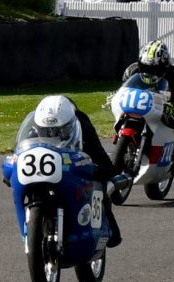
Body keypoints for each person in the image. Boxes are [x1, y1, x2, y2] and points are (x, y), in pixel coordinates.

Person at [11, 95, 122, 247]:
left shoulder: (82, 124)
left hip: (74, 167)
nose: (51, 134)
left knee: (114, 236)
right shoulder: (32, 127)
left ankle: (102, 221)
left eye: (57, 131)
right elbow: (18, 155)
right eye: (45, 131)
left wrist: (99, 174)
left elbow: (103, 161)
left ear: (70, 126)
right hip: (43, 177)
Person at [123, 40, 174, 163]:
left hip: (164, 109)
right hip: (138, 105)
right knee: (123, 114)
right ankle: (123, 139)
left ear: (165, 67)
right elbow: (123, 90)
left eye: (155, 69)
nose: (149, 73)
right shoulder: (131, 71)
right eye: (145, 68)